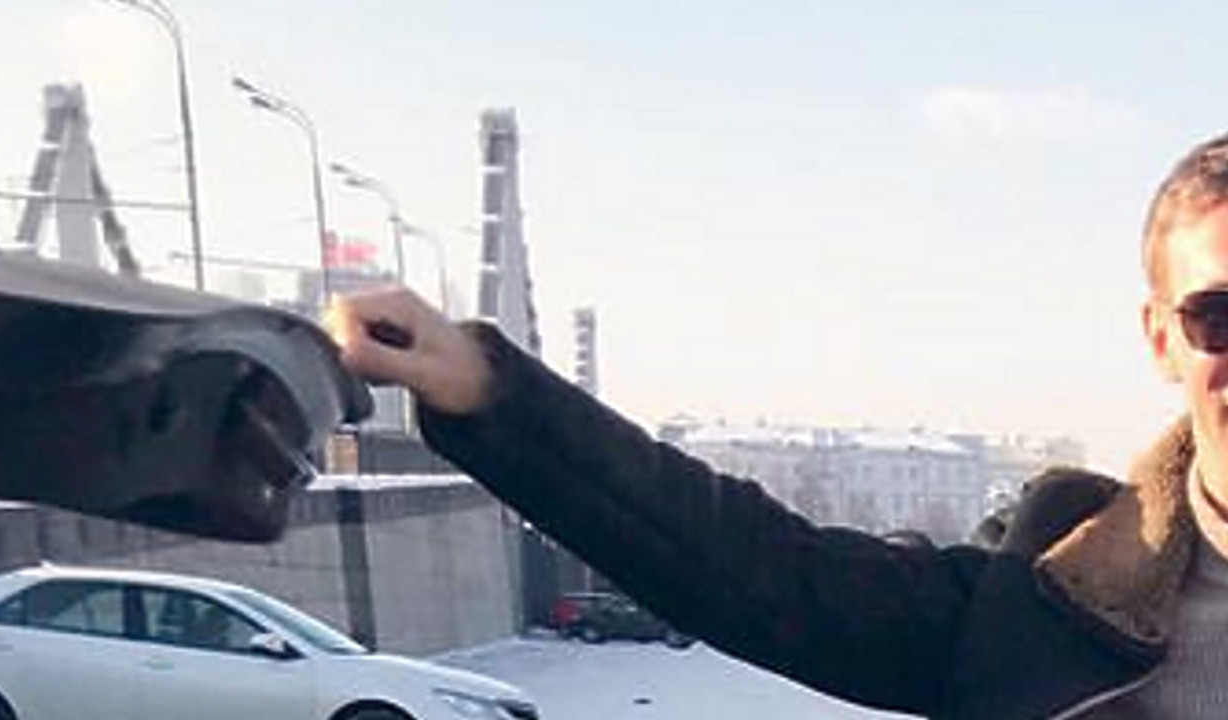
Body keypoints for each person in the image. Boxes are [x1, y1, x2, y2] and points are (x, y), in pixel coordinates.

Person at [324, 133, 1228, 720]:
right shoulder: (1049, 592)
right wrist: (493, 394)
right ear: (1162, 338)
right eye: (1220, 315)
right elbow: (756, 568)